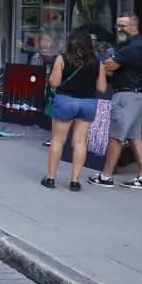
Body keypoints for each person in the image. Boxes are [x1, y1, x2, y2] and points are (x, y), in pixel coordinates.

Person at [90, 11, 142, 190]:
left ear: (134, 26)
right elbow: (111, 65)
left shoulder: (133, 47)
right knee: (135, 137)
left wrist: (105, 64)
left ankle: (106, 176)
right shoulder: (135, 44)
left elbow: (109, 66)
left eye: (122, 25)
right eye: (117, 25)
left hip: (127, 97)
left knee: (116, 137)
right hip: (136, 95)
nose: (118, 28)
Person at [43, 27, 108, 190]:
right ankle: (75, 181)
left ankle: (50, 178)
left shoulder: (62, 58)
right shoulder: (96, 61)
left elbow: (54, 83)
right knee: (80, 141)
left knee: (58, 140)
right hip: (87, 102)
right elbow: (102, 87)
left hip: (66, 100)